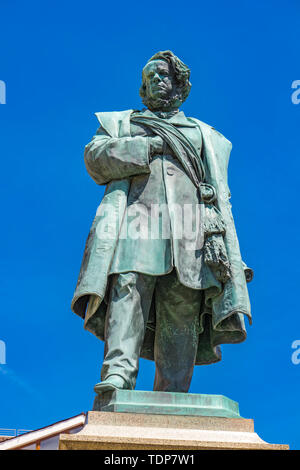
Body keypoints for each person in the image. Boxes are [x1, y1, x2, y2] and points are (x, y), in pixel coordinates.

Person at [71, 51, 253, 394]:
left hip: (190, 232)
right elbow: (95, 158)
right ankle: (118, 375)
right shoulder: (123, 124)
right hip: (137, 222)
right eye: (149, 77)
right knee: (128, 289)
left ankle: (172, 393)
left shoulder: (204, 134)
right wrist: (147, 146)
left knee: (183, 303)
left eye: (163, 75)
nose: (155, 80)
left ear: (179, 85)